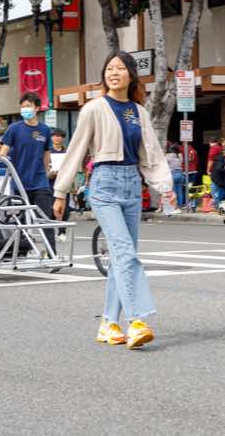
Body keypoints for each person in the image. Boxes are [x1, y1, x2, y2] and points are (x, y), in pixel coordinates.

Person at [52, 50, 174, 349]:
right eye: (109, 68)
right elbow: (76, 150)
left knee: (122, 257)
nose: (114, 73)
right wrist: (60, 191)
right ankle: (136, 321)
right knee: (125, 254)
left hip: (132, 185)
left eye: (120, 68)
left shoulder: (138, 111)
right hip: (104, 184)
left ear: (131, 75)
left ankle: (108, 324)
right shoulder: (93, 109)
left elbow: (151, 152)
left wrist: (164, 185)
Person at [0, 92, 56, 253]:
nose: (25, 109)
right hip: (19, 183)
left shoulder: (44, 130)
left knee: (45, 219)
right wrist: (1, 154)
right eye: (23, 106)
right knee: (20, 221)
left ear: (37, 108)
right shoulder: (14, 128)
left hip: (39, 182)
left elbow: (46, 153)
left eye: (28, 106)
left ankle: (52, 254)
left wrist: (45, 172)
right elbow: (5, 148)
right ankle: (21, 253)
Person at [49, 128, 69, 240]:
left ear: (63, 138)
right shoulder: (48, 151)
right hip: (51, 183)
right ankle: (50, 232)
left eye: (59, 136)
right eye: (54, 136)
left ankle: (62, 232)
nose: (57, 138)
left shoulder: (67, 151)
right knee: (51, 209)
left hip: (64, 183)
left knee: (64, 210)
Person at [210, 147, 225, 213]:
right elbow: (219, 168)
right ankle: (217, 208)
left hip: (220, 179)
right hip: (218, 179)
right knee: (218, 195)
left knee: (221, 194)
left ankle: (221, 208)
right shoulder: (221, 159)